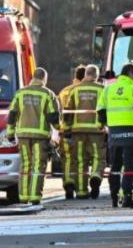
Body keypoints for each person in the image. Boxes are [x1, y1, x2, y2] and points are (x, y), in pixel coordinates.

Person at [97, 63, 133, 208]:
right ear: (131, 73)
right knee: (129, 167)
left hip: (114, 133)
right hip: (132, 132)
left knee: (114, 166)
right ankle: (127, 198)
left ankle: (114, 198)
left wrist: (109, 124)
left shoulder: (108, 90)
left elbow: (100, 111)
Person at [6, 67, 60, 204]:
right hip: (40, 138)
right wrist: (60, 130)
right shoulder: (48, 94)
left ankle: (23, 197)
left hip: (23, 136)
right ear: (44, 78)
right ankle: (35, 197)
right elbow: (53, 116)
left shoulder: (20, 93)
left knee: (25, 166)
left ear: (33, 77)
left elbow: (12, 115)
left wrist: (10, 134)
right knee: (38, 167)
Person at [64, 64, 106, 200]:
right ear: (96, 75)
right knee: (97, 157)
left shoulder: (75, 90)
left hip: (78, 131)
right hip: (96, 131)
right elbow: (105, 110)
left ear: (85, 74)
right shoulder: (101, 89)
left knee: (80, 160)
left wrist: (67, 128)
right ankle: (95, 176)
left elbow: (68, 111)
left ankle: (81, 191)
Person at [57, 65, 86, 199]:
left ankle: (68, 184)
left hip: (65, 131)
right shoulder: (85, 91)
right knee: (81, 160)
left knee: (67, 160)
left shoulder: (63, 91)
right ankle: (81, 189)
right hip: (82, 131)